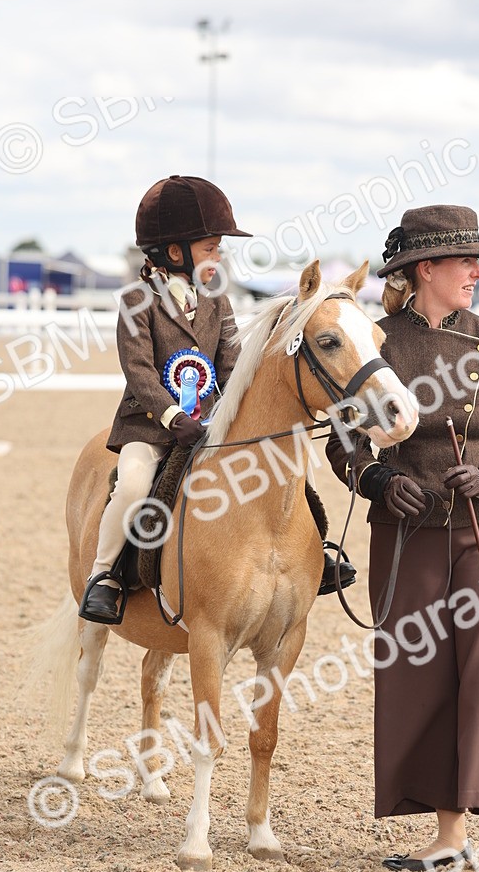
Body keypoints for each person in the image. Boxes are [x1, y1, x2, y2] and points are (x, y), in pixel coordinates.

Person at [326, 205, 479, 872]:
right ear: (427, 270)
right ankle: (448, 837)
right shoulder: (378, 342)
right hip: (406, 534)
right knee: (422, 677)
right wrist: (381, 480)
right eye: (466, 263)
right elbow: (345, 443)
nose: (478, 274)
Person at [81, 174, 355, 624]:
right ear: (175, 252)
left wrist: (239, 411)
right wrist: (173, 417)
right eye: (210, 247)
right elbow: (139, 372)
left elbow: (230, 364)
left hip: (211, 424)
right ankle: (105, 574)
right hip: (152, 426)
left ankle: (314, 552)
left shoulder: (217, 300)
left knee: (281, 466)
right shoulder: (137, 300)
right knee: (132, 485)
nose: (219, 255)